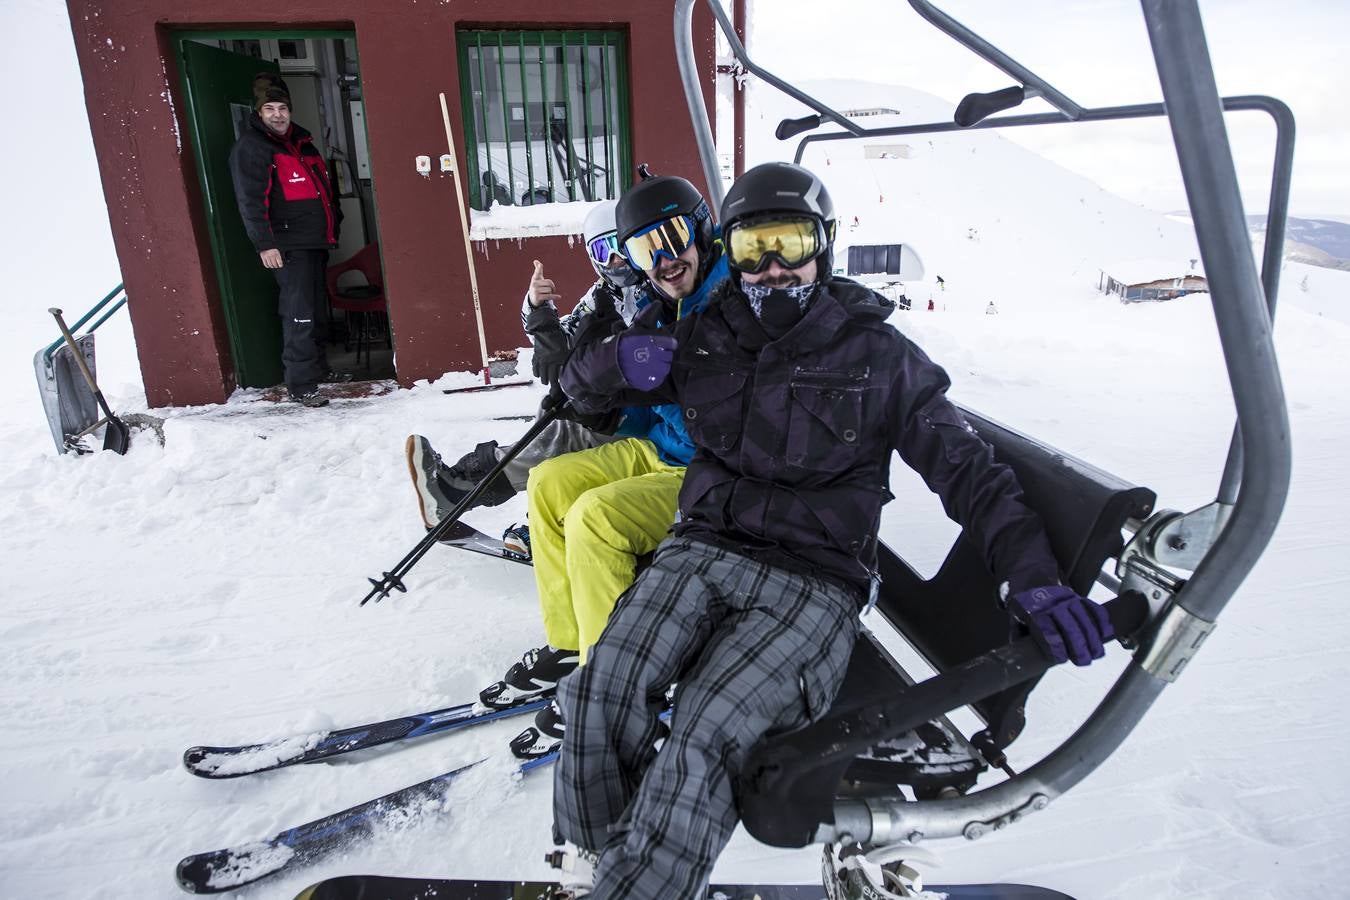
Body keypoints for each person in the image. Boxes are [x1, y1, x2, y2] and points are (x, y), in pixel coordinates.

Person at [552, 161, 1114, 899]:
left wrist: (1033, 574)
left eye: (793, 242)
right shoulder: (709, 335)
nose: (775, 267)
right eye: (756, 248)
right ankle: (602, 869)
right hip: (703, 552)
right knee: (598, 691)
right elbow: (576, 390)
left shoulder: (876, 353)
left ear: (826, 245)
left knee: (705, 735)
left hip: (811, 581)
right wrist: (614, 358)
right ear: (732, 252)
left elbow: (968, 470)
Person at [483, 174, 731, 761]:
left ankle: (614, 684)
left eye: (672, 237)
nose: (664, 260)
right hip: (663, 445)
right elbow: (610, 377)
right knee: (549, 481)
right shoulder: (661, 302)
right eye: (645, 249)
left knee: (596, 517)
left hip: (712, 469)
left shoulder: (726, 299)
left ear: (701, 228)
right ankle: (570, 642)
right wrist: (598, 389)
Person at [405, 200, 641, 542]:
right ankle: (533, 515)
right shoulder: (604, 294)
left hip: (651, 421)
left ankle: (466, 493)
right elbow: (566, 333)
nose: (615, 260)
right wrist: (538, 309)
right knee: (559, 418)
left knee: (569, 433)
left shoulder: (657, 288)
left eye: (623, 247)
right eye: (603, 251)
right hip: (628, 412)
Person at [228, 73, 342, 408]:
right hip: (288, 245)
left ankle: (319, 370)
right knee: (299, 313)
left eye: (282, 108)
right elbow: (250, 200)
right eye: (270, 109)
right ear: (259, 113)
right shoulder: (252, 147)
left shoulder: (300, 142)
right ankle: (300, 383)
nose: (277, 114)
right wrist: (265, 243)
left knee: (316, 311)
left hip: (314, 242)